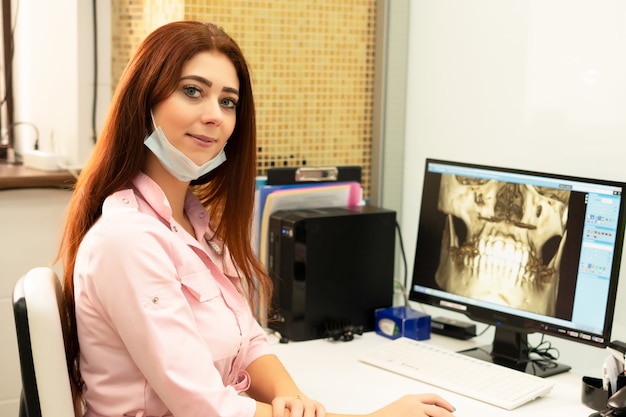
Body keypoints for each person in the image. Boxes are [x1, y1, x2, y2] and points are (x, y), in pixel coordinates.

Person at [57, 20, 457, 417]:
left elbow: (247, 340)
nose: (215, 115)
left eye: (228, 101)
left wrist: (294, 400)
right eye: (192, 91)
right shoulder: (128, 240)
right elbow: (206, 407)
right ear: (144, 103)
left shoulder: (194, 224)